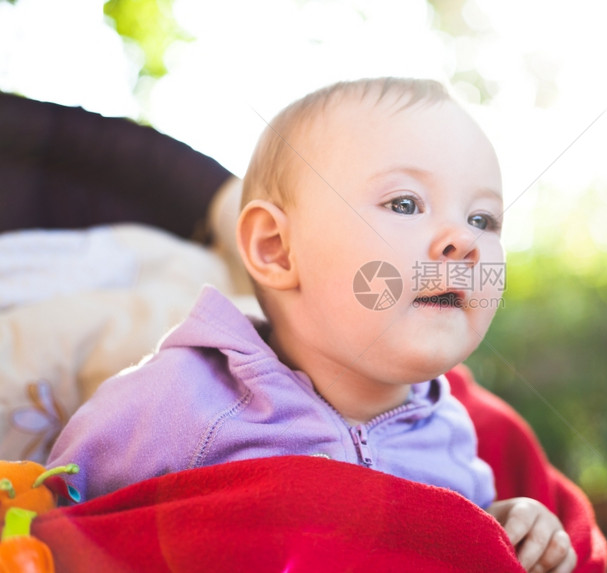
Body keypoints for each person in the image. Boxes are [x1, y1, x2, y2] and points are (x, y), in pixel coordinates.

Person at [48, 77, 577, 572]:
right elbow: (51, 520)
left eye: (482, 219)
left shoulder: (455, 434)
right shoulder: (177, 399)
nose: (463, 241)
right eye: (405, 203)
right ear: (276, 249)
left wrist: (512, 524)